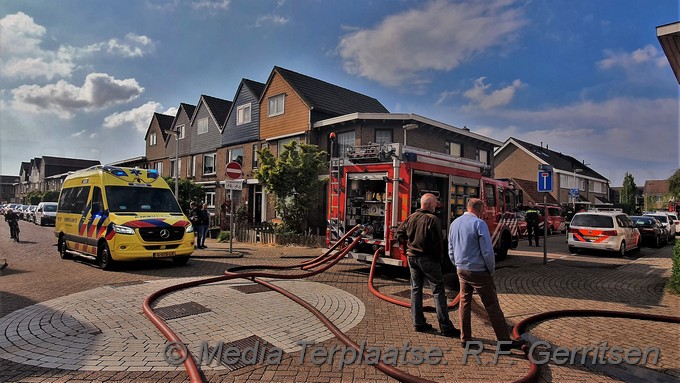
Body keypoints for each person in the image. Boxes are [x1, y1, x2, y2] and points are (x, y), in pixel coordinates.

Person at [448, 198, 523, 350]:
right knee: (492, 305)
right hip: (479, 271)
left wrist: (457, 264)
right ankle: (503, 341)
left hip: (461, 269)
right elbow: (487, 251)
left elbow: (450, 247)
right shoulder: (479, 224)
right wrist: (490, 269)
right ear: (480, 209)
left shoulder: (455, 223)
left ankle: (465, 338)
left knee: (464, 302)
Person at [396, 193, 460, 338]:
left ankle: (418, 323)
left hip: (412, 258)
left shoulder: (411, 217)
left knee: (416, 290)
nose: (437, 206)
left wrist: (409, 244)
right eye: (436, 203)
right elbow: (438, 243)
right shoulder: (433, 219)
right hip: (429, 259)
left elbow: (399, 233)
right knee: (438, 291)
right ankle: (445, 327)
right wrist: (441, 261)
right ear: (430, 204)